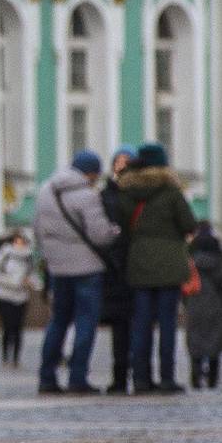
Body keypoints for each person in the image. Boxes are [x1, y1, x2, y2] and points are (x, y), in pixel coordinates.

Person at [32, 150, 120, 394]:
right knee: (85, 323)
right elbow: (99, 235)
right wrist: (114, 231)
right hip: (87, 269)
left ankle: (46, 377)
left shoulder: (45, 191)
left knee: (58, 321)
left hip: (58, 268)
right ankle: (77, 378)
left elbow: (37, 229)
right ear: (91, 172)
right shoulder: (87, 196)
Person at [118, 142, 195, 394]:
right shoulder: (171, 190)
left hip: (139, 263)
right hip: (170, 266)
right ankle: (166, 378)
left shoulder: (127, 191)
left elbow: (120, 224)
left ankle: (140, 379)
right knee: (167, 324)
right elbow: (188, 223)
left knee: (141, 324)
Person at [99, 147, 136, 393]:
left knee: (138, 325)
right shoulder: (106, 195)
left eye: (126, 163)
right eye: (118, 162)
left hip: (136, 267)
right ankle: (120, 376)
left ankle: (141, 375)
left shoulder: (139, 195)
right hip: (115, 271)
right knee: (120, 327)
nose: (121, 167)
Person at [185, 224, 222, 390]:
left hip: (194, 306)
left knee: (196, 344)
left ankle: (195, 376)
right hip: (217, 308)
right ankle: (212, 379)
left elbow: (183, 288)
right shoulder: (220, 262)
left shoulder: (189, 262)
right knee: (215, 345)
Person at [0, 231, 36, 368]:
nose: (19, 245)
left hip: (21, 298)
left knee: (18, 328)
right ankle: (5, 358)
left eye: (22, 242)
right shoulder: (6, 254)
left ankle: (16, 360)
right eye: (17, 241)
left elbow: (34, 277)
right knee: (8, 327)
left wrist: (29, 282)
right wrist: (13, 282)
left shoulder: (28, 256)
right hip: (3, 296)